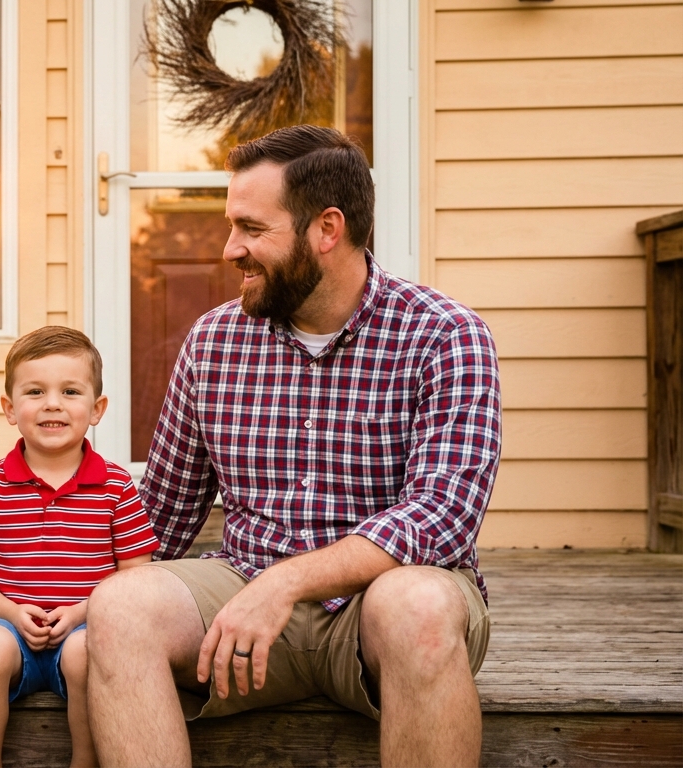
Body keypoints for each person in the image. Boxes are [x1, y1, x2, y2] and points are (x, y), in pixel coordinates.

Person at [86, 125, 500, 768]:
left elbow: (442, 517)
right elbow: (159, 516)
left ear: (326, 230)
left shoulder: (445, 334)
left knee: (420, 603)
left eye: (252, 229)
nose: (230, 250)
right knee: (121, 605)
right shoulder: (214, 341)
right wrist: (52, 595)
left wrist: (286, 584)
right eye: (232, 226)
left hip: (378, 611)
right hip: (241, 597)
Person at [0, 326, 159, 768]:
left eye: (70, 391)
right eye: (35, 391)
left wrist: (83, 612)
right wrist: (9, 612)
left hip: (83, 628)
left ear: (97, 409)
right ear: (10, 408)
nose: (52, 404)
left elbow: (137, 573)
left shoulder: (116, 486)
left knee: (88, 654)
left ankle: (83, 762)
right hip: (9, 630)